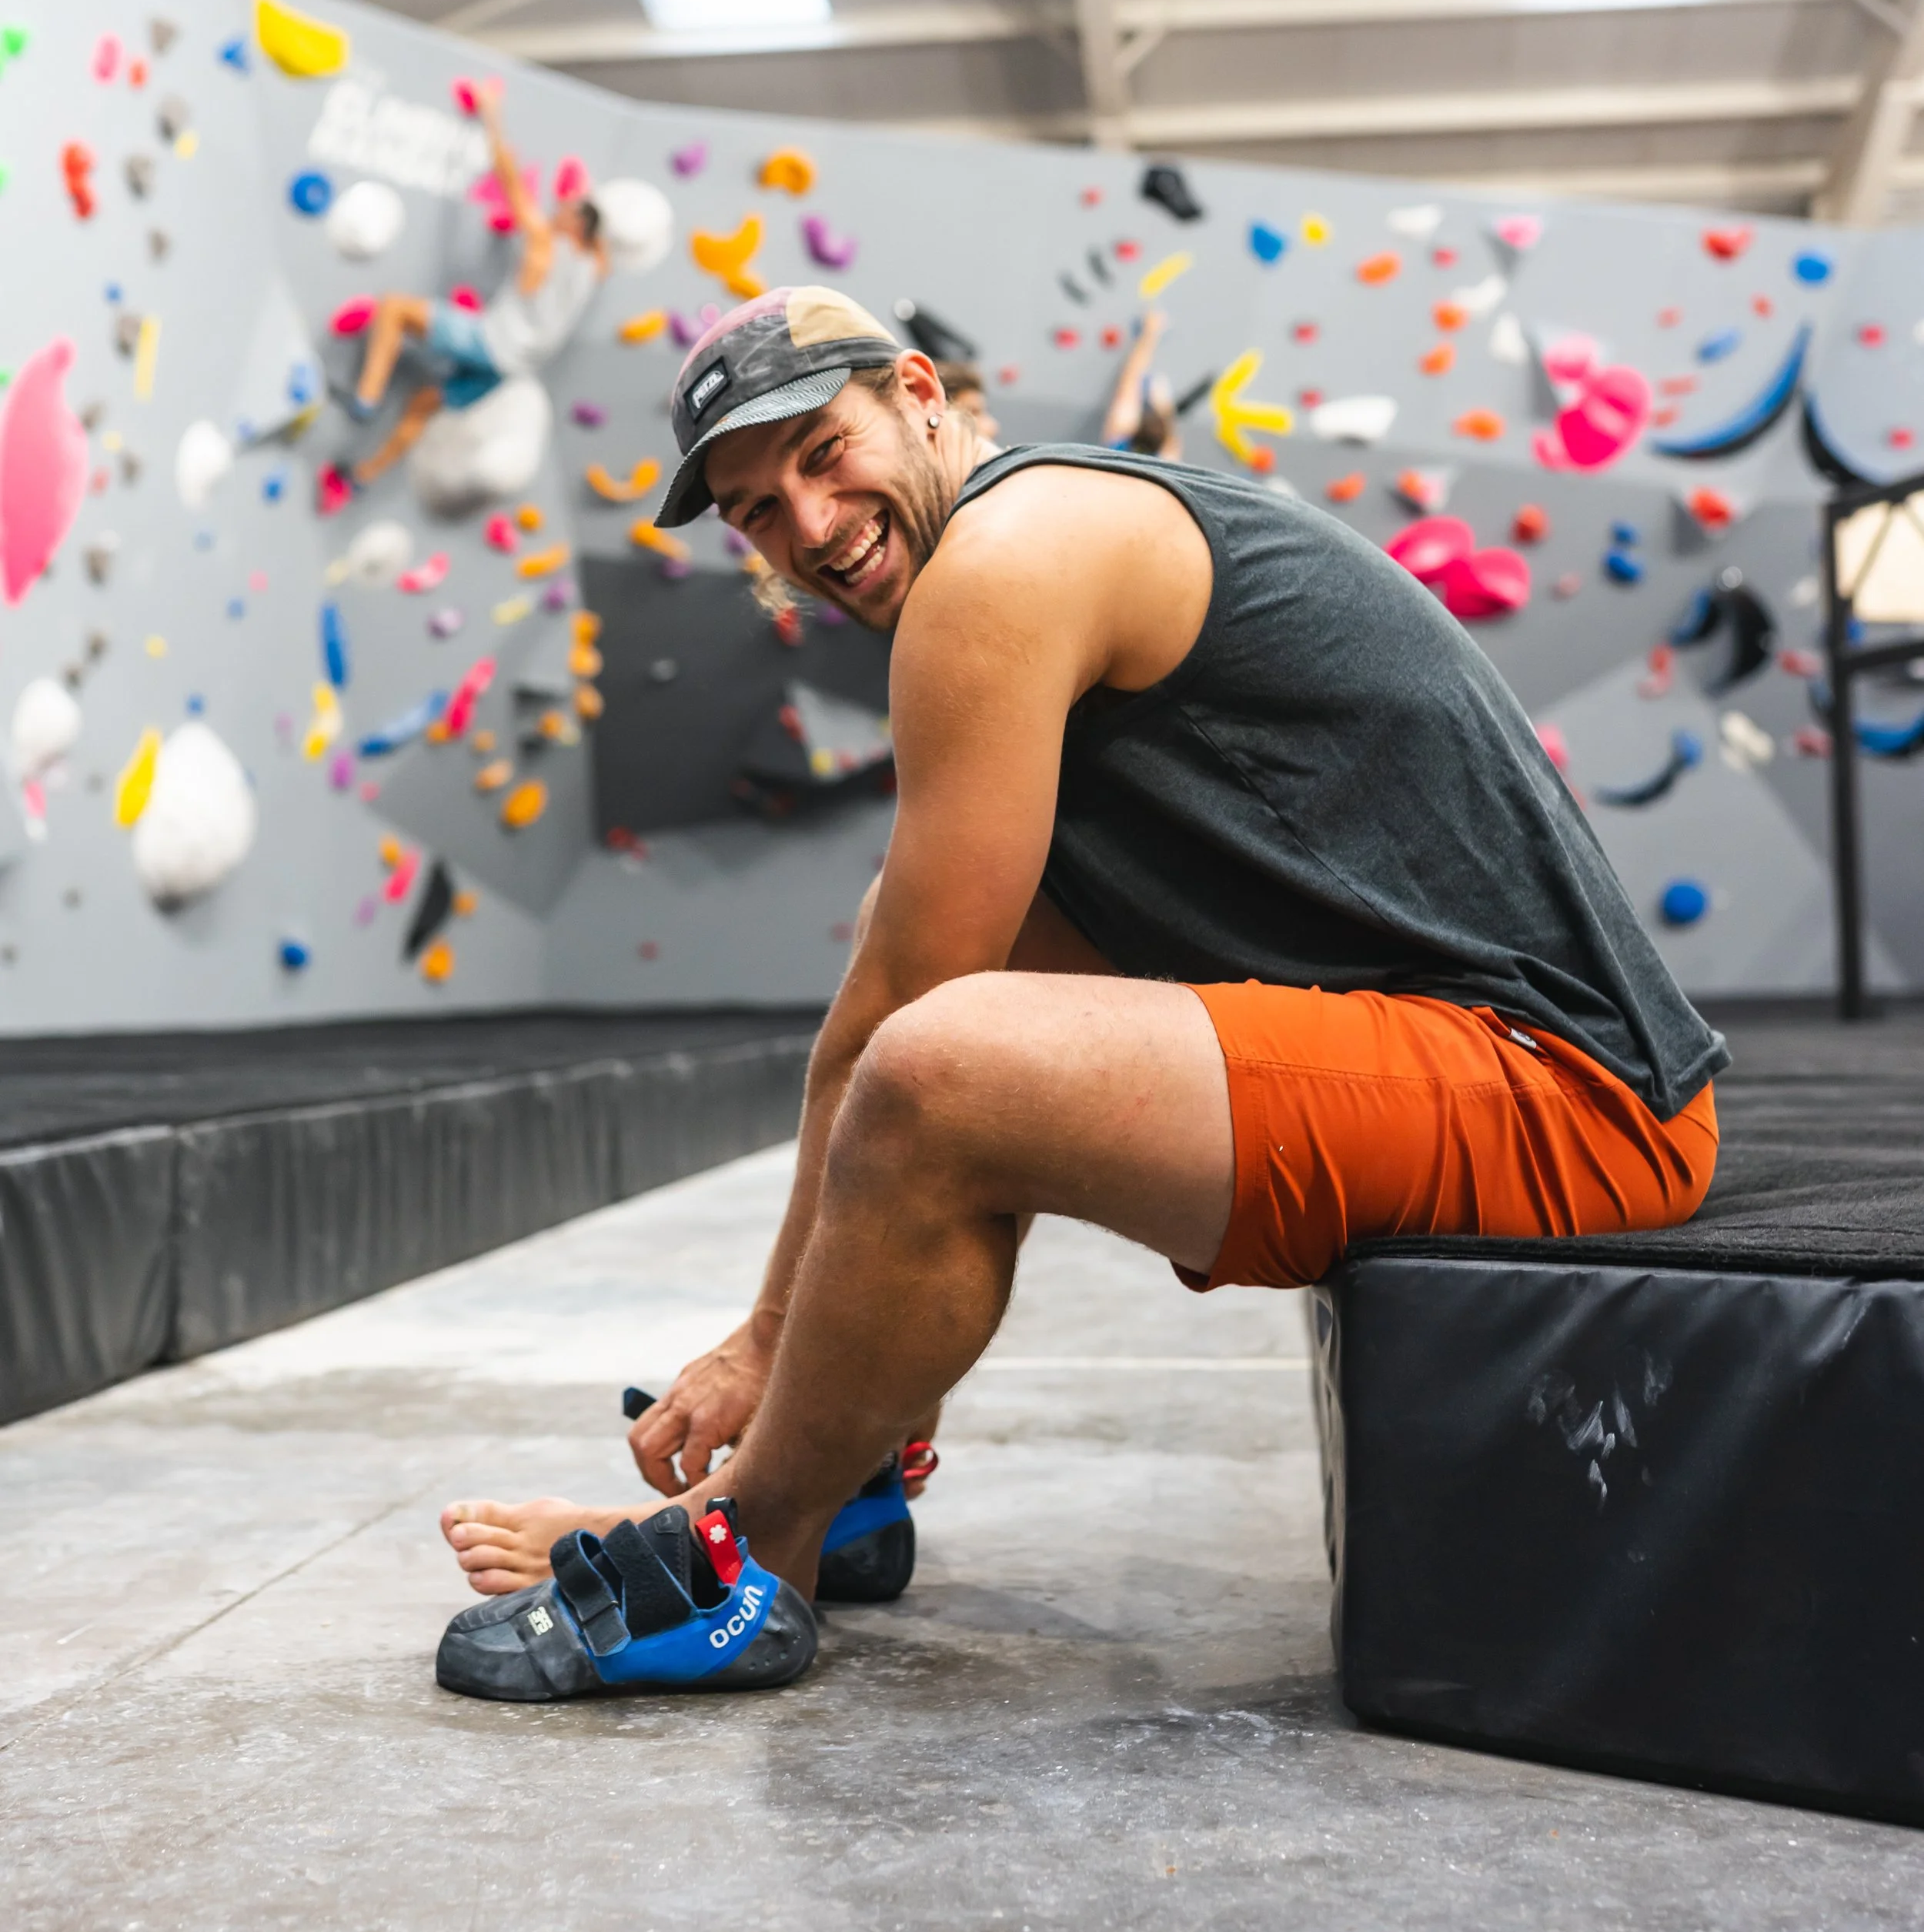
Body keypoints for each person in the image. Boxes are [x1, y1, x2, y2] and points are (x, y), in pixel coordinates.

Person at [436, 281, 1723, 1698]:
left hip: (1574, 1097)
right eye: (755, 511)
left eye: (823, 453)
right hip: (1479, 1046)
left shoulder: (1006, 561)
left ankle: (749, 1546)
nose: (808, 527)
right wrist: (779, 1343)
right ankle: (848, 1465)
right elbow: (898, 960)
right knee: (916, 963)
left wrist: (760, 1344)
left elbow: (895, 1033)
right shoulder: (1032, 537)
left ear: (920, 397)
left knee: (944, 1072)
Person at [343, 88, 607, 489]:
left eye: (567, 210)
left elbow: (508, 176)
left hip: (488, 341)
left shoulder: (544, 242)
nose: (558, 211)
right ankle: (367, 473)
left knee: (394, 308)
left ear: (576, 225)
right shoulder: (594, 269)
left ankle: (366, 397)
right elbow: (601, 237)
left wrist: (491, 116)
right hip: (511, 367)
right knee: (425, 402)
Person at [1099, 309, 1180, 459]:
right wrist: (1164, 407)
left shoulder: (1118, 443)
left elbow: (1129, 383)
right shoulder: (1167, 460)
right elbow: (1171, 445)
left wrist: (1150, 333)